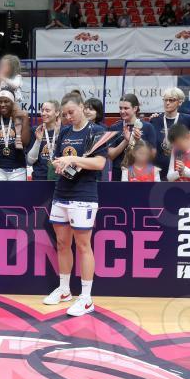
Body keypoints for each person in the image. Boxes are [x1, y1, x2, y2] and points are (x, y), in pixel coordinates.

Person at [43, 92, 109, 317]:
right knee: (62, 243)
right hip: (61, 193)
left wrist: (72, 159)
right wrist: (59, 164)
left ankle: (86, 298)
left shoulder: (96, 131)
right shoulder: (65, 132)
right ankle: (64, 290)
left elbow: (99, 163)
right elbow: (59, 159)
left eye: (71, 112)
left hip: (84, 195)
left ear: (82, 107)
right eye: (65, 114)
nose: (68, 117)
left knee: (83, 246)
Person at [0, 89, 31, 181]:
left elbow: (25, 143)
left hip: (18, 169)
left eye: (6, 101)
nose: (2, 104)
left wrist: (25, 118)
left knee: (17, 191)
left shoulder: (20, 118)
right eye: (0, 102)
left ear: (13, 103)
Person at [150, 88, 190, 180]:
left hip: (179, 171)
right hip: (158, 170)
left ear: (180, 102)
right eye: (165, 100)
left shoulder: (189, 120)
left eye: (171, 100)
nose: (167, 103)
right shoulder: (155, 119)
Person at [106, 94, 157, 182]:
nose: (122, 111)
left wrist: (138, 141)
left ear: (135, 108)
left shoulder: (148, 127)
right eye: (120, 108)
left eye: (126, 108)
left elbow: (152, 154)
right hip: (119, 173)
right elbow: (111, 155)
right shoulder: (114, 128)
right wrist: (126, 141)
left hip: (141, 173)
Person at [0, 55, 26, 150]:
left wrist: (4, 78)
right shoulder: (1, 78)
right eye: (2, 66)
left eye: (5, 66)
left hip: (13, 103)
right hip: (2, 104)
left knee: (17, 118)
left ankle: (18, 139)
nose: (2, 68)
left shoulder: (17, 77)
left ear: (12, 67)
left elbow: (15, 85)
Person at [27, 100, 61, 181]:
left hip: (59, 178)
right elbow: (30, 161)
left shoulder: (65, 130)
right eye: (42, 110)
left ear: (57, 113)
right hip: (39, 177)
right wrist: (38, 141)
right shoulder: (36, 130)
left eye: (47, 110)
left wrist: (57, 135)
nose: (43, 113)